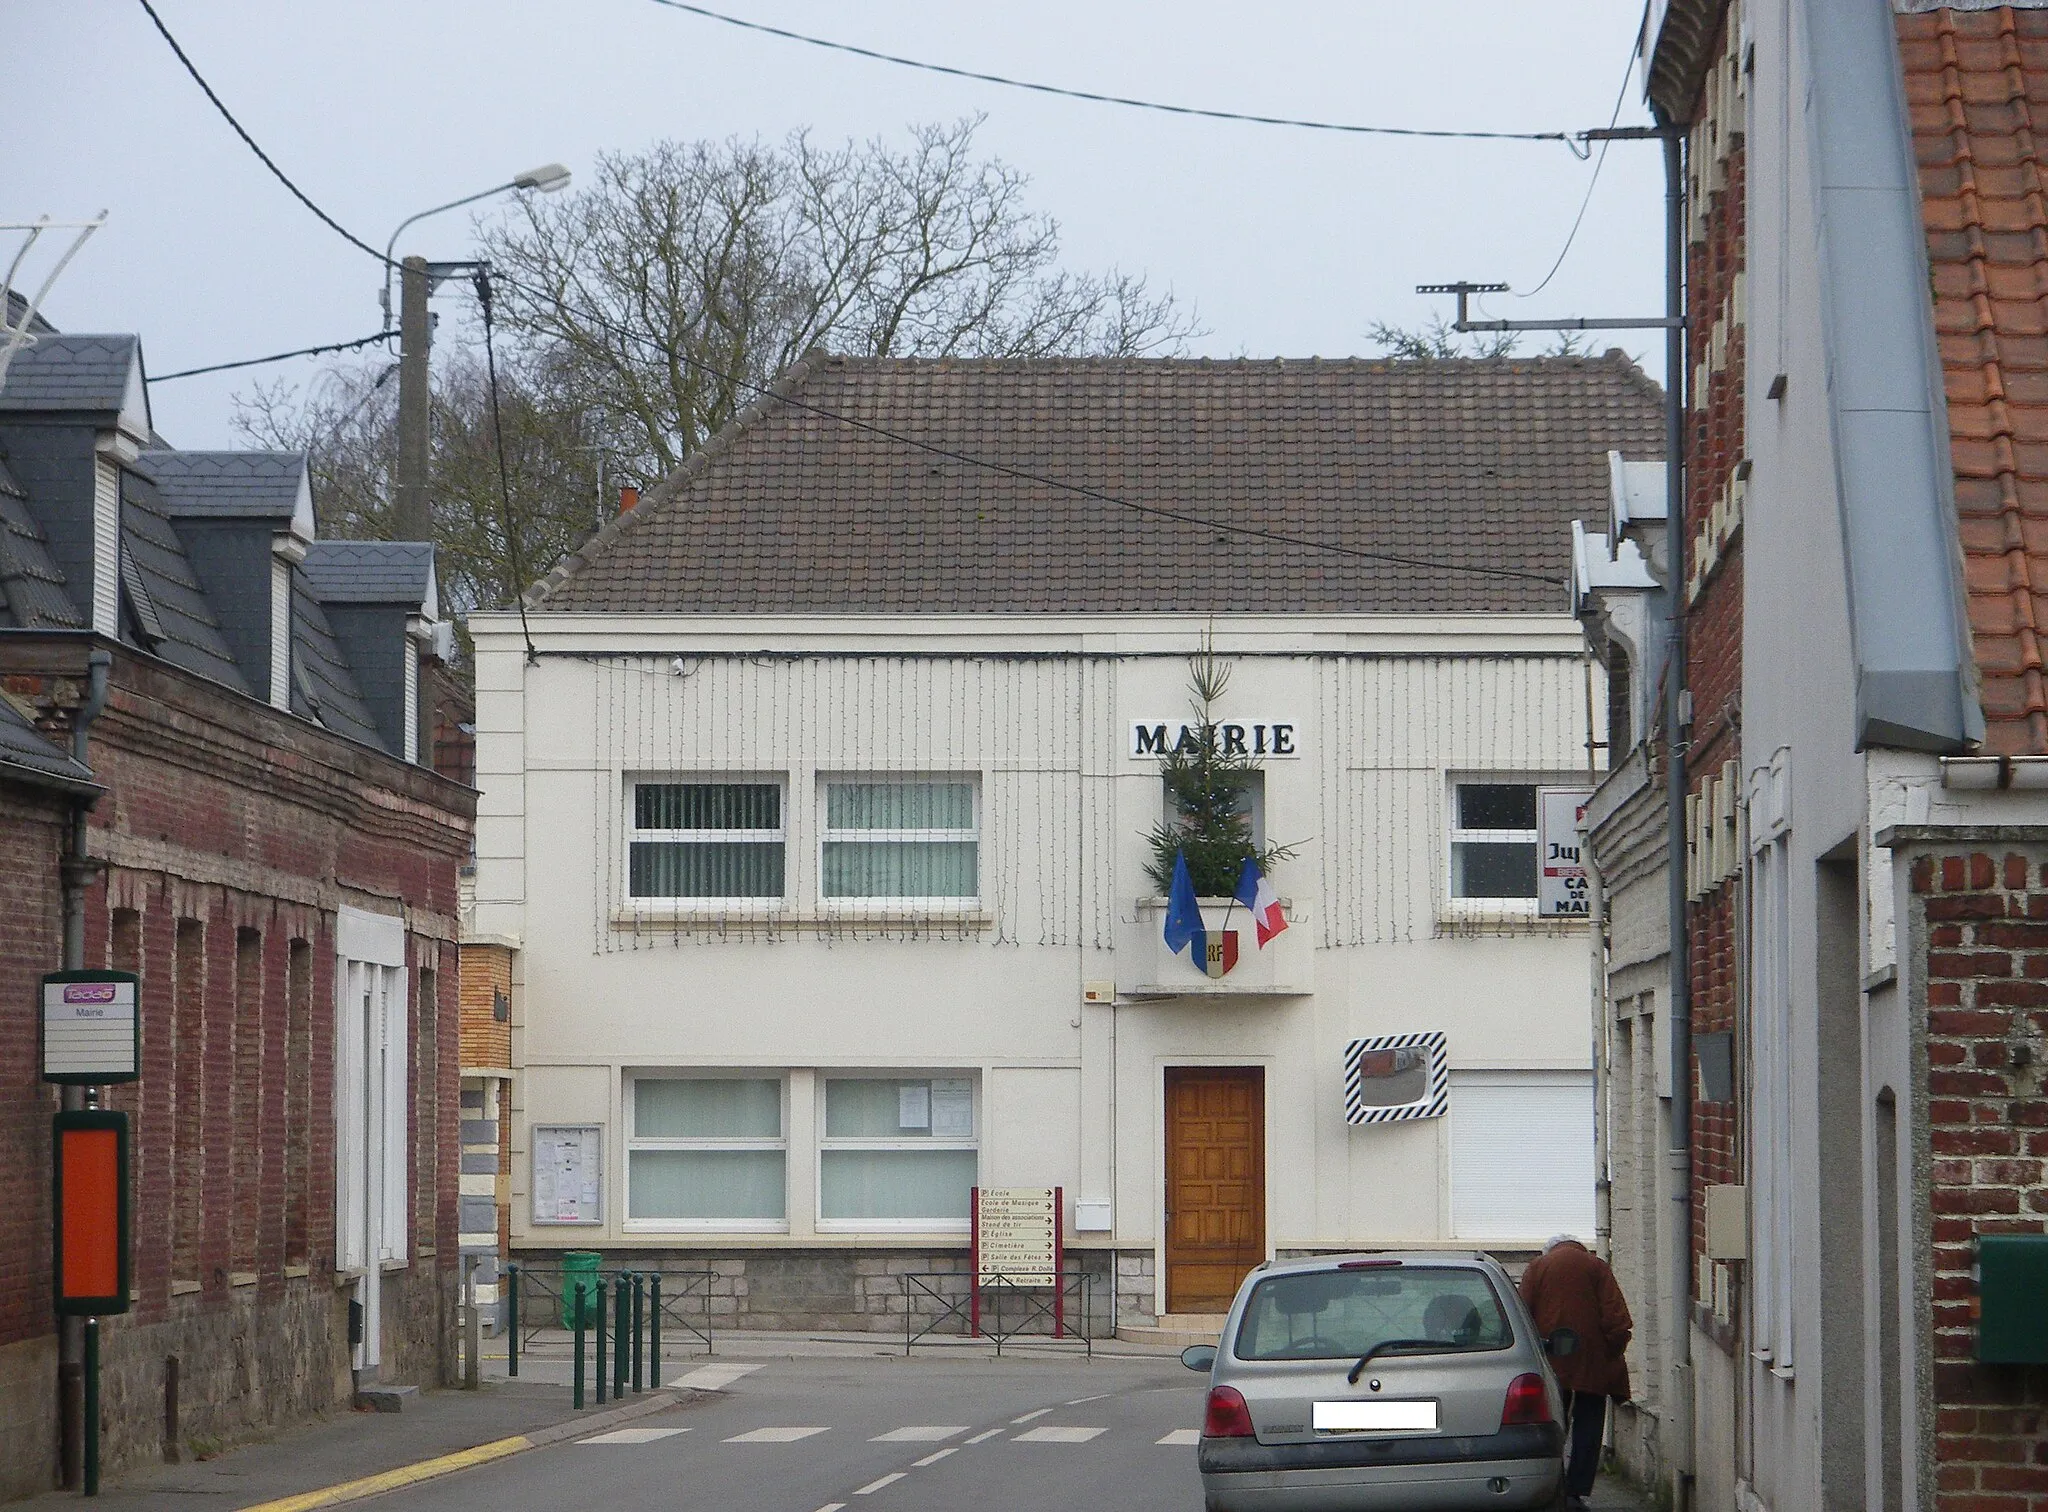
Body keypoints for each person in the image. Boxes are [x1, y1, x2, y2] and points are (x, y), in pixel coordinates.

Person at [1518, 1235, 1632, 1512]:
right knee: (1589, 1427)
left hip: (1548, 1361)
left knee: (1551, 1424)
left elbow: (1522, 1312)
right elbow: (1618, 1321)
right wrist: (1610, 1354)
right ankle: (1577, 1490)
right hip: (1592, 1363)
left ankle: (1550, 1485)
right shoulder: (1597, 1267)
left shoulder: (1537, 1267)